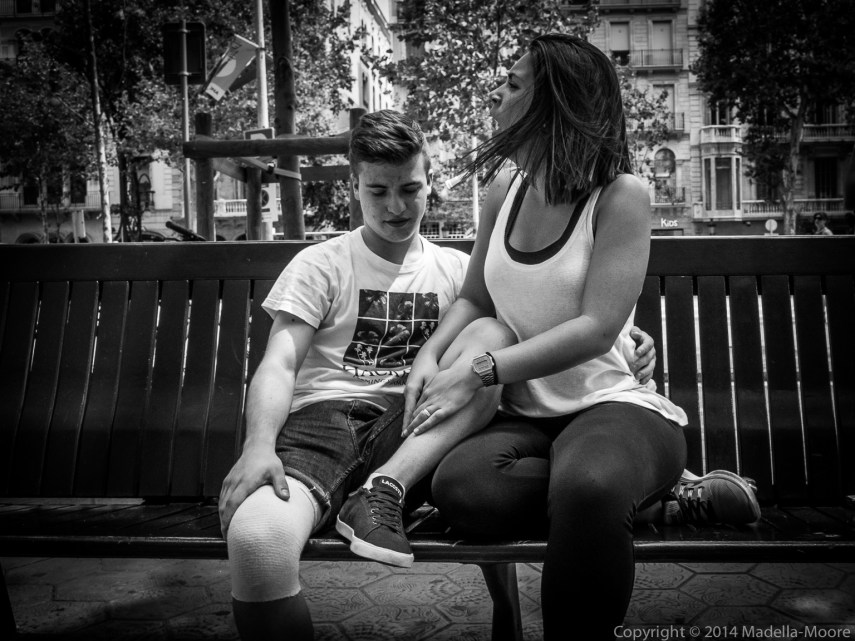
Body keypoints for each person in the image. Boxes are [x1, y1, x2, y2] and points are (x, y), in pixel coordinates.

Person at [218, 109, 661, 641]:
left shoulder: (459, 274)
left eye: (410, 188)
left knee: (489, 339)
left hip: (420, 432)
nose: (396, 207)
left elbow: (533, 327)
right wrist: (258, 446)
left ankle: (390, 496)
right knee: (257, 542)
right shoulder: (321, 264)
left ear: (430, 181)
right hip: (324, 428)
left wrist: (627, 340)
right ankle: (659, 498)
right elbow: (279, 362)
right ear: (354, 186)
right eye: (377, 191)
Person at [395, 34, 717, 640]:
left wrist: (479, 370)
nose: (496, 93)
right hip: (527, 414)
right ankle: (651, 498)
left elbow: (597, 330)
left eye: (513, 83)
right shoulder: (504, 190)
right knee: (463, 489)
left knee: (589, 487)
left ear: (557, 104)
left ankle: (612, 490)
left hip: (612, 404)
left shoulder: (621, 196)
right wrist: (431, 355)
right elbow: (476, 298)